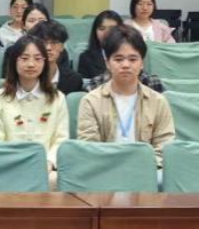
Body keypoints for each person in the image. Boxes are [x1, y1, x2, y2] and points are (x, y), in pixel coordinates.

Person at [78, 26, 175, 167]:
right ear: (107, 63)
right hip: (104, 172)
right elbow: (89, 148)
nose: (125, 65)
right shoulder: (91, 101)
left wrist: (138, 168)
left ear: (142, 63)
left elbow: (164, 147)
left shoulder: (158, 102)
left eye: (133, 59)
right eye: (118, 59)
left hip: (146, 171)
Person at [0, 35, 69, 172]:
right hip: (9, 169)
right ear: (14, 61)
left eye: (37, 59)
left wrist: (48, 163)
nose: (31, 64)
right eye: (24, 58)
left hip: (46, 170)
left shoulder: (57, 98)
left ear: (44, 62)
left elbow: (61, 140)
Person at [28, 21, 84, 94]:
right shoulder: (25, 76)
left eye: (54, 42)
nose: (48, 48)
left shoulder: (74, 79)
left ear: (62, 47)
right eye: (43, 42)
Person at [77, 10, 123, 81]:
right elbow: (85, 85)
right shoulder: (86, 58)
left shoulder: (130, 54)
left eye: (112, 29)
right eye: (101, 29)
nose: (106, 33)